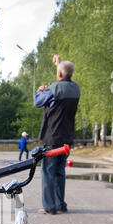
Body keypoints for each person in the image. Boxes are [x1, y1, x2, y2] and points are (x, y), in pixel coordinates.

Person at [34, 54, 80, 215]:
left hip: (51, 137)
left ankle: (49, 207)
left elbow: (38, 102)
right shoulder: (75, 89)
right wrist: (59, 65)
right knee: (60, 171)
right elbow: (63, 82)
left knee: (48, 171)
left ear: (59, 74)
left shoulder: (53, 90)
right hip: (67, 137)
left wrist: (40, 91)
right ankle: (60, 204)